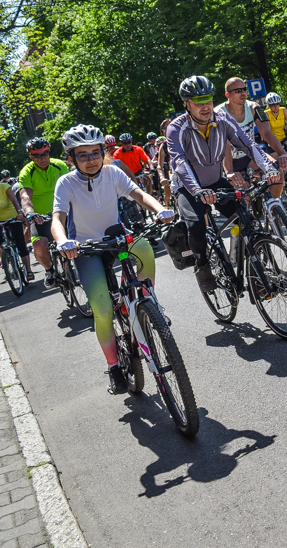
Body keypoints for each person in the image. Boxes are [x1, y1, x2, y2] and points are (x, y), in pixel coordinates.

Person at [51, 125, 175, 395]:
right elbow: (57, 219)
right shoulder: (66, 183)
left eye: (95, 153)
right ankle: (114, 367)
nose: (91, 159)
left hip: (116, 241)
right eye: (82, 155)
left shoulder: (112, 173)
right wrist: (63, 241)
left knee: (142, 246)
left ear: (102, 152)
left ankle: (147, 301)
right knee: (103, 309)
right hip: (85, 248)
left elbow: (139, 195)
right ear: (71, 158)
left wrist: (160, 208)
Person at [168, 75, 279, 291]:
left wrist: (270, 168)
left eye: (208, 99)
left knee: (246, 218)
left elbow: (248, 145)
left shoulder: (223, 120)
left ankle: (254, 273)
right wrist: (197, 190)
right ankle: (202, 266)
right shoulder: (177, 128)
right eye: (198, 102)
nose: (205, 106)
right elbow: (179, 162)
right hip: (188, 187)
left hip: (215, 181)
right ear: (186, 104)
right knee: (197, 225)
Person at [216, 77, 287, 199]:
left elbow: (266, 132)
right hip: (229, 160)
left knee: (277, 171)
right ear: (227, 94)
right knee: (245, 200)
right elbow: (225, 145)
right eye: (238, 90)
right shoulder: (219, 113)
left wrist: (282, 153)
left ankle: (273, 206)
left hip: (249, 155)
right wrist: (229, 172)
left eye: (244, 89)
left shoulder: (253, 107)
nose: (243, 93)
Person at [17, 137, 70, 288]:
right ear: (31, 157)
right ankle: (50, 270)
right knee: (40, 244)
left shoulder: (59, 166)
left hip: (63, 212)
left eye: (45, 153)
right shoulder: (27, 172)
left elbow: (72, 187)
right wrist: (30, 213)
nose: (43, 158)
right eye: (38, 155)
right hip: (40, 217)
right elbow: (25, 196)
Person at [155, 119, 172, 207]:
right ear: (163, 132)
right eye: (166, 128)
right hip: (174, 172)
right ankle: (169, 207)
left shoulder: (185, 138)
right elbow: (159, 166)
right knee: (168, 190)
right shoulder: (164, 145)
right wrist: (162, 178)